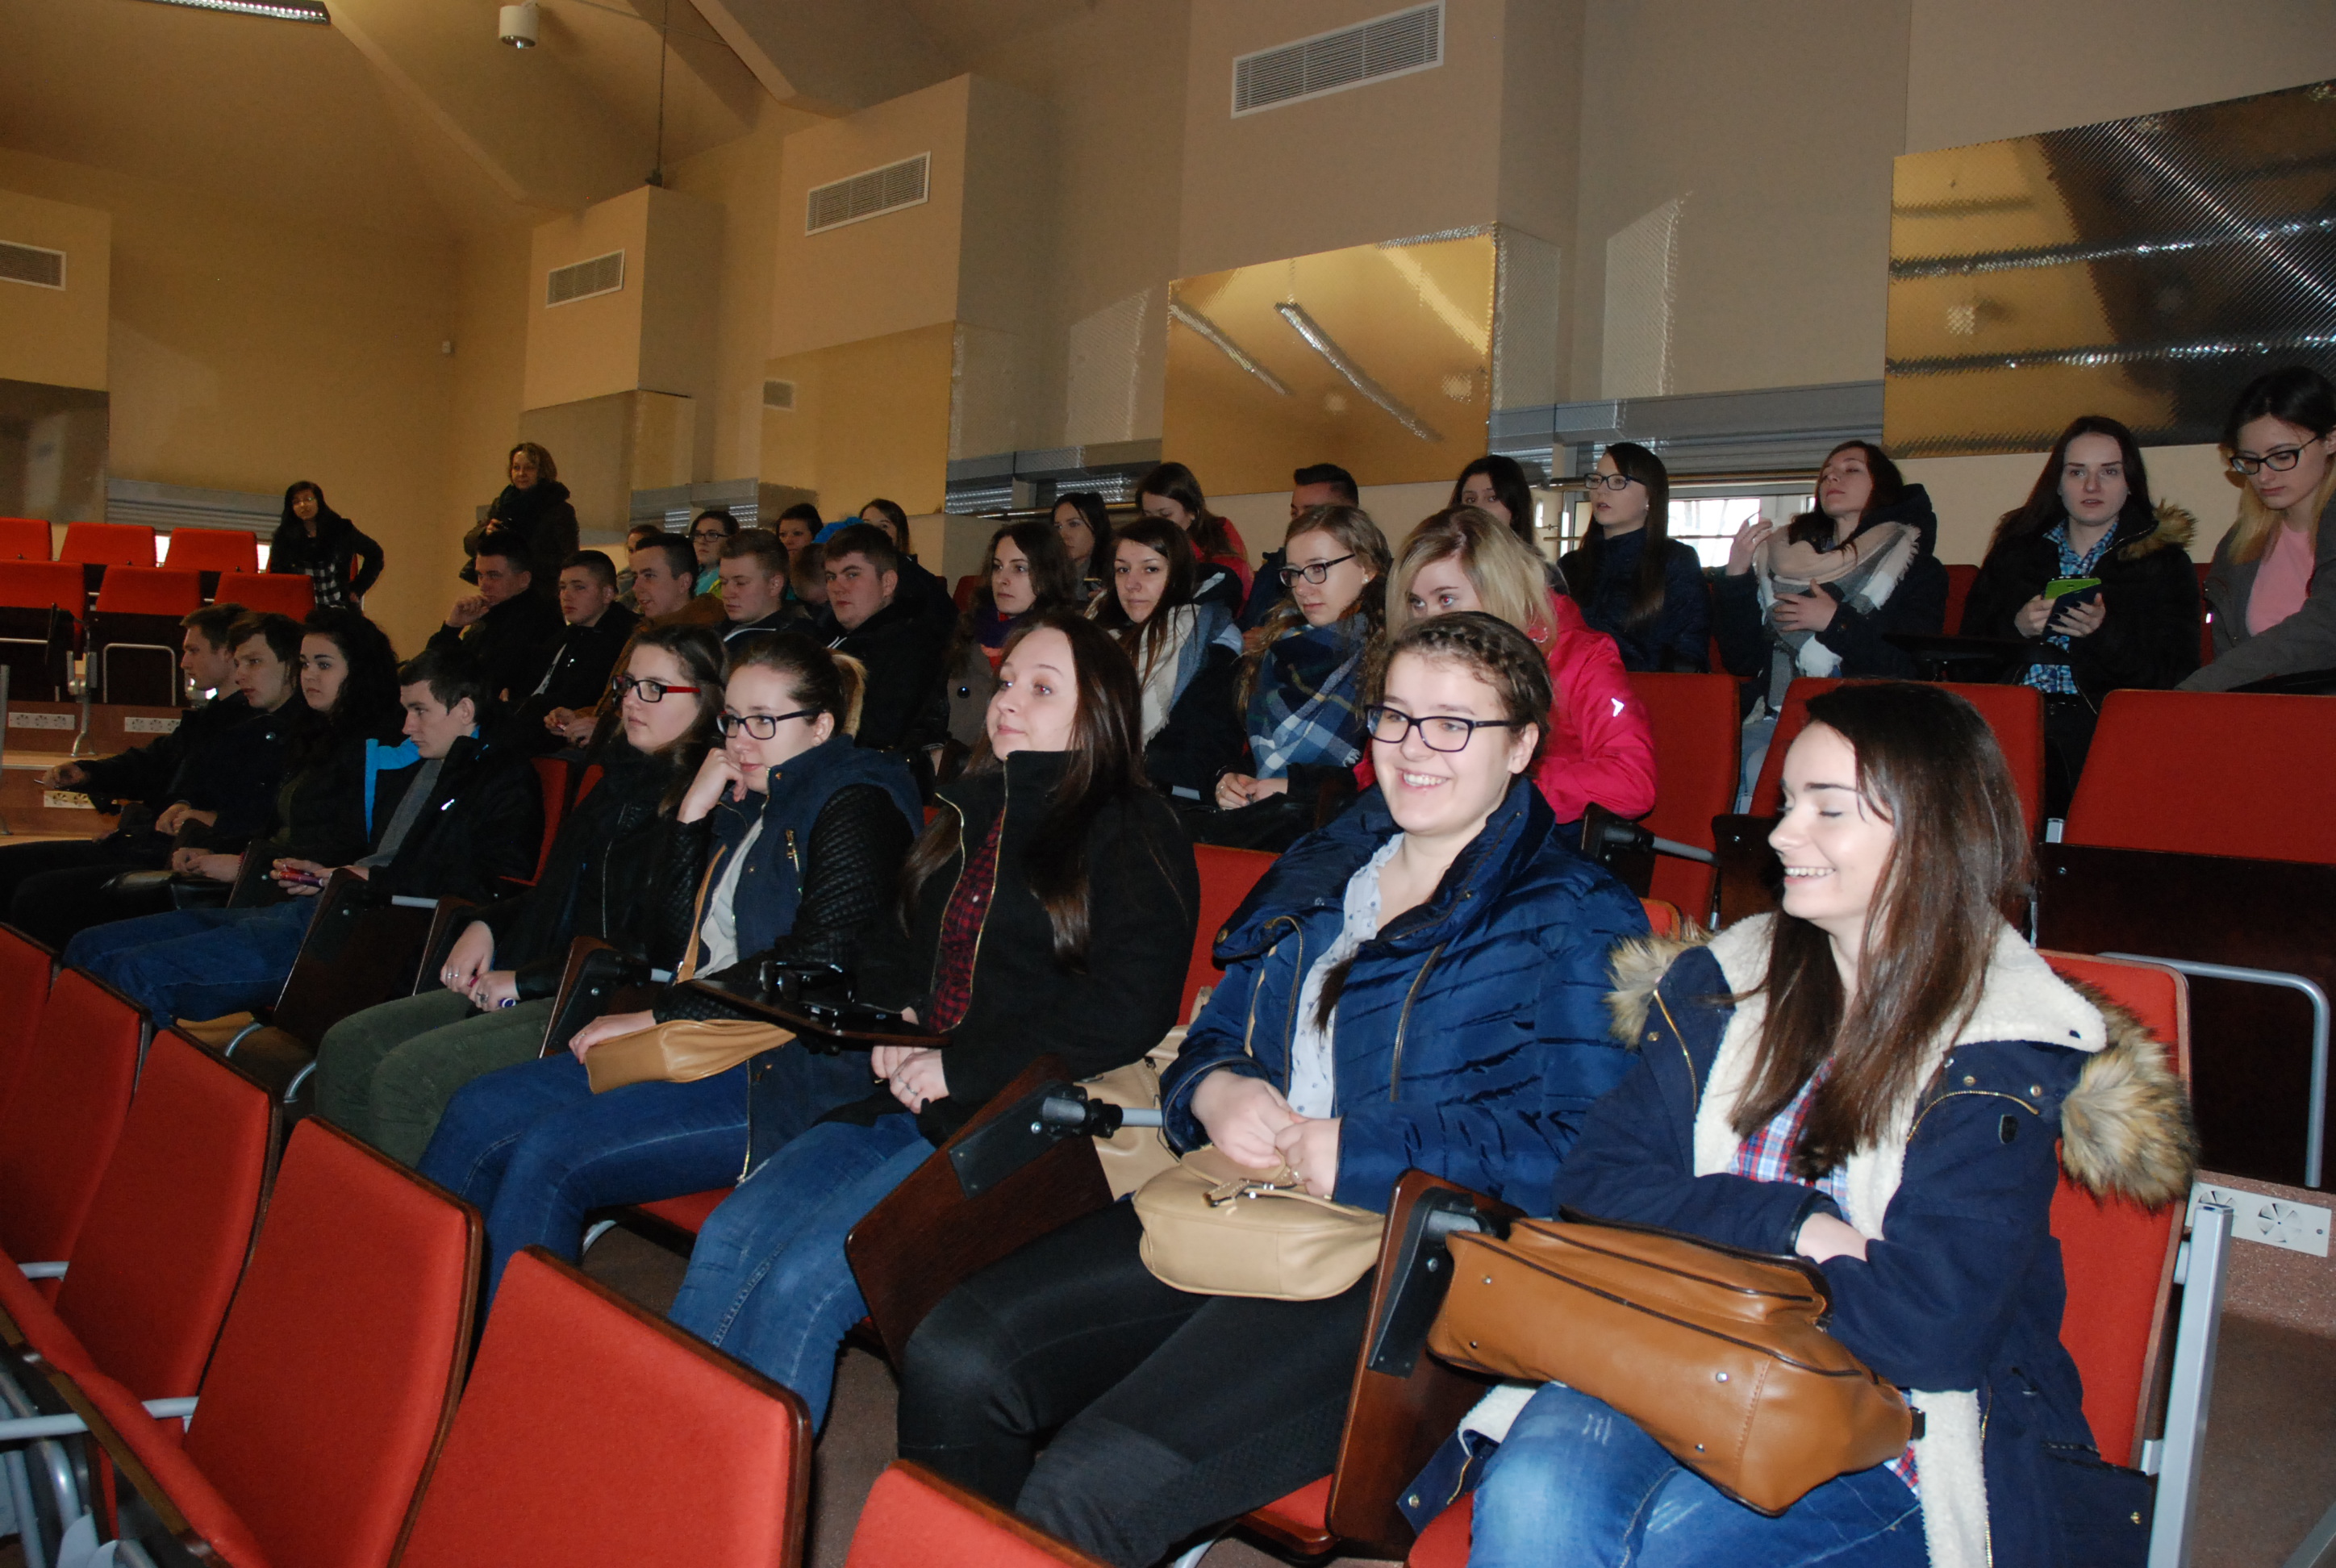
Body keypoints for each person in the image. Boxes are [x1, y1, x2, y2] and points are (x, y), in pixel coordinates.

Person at [895, 612, 1653, 1568]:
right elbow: (1217, 1031)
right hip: (1253, 1198)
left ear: (1523, 746)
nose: (1413, 748)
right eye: (1394, 716)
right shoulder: (1328, 866)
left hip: (1419, 1262)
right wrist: (1215, 1088)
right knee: (955, 1352)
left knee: (1089, 1484)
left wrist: (1369, 1151)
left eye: (1454, 724)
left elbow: (1590, 1158)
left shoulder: (1576, 914)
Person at [1462, 682, 2196, 1568]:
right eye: (1786, 802)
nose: (1780, 834)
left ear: (1933, 830)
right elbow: (1597, 1185)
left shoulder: (2000, 1045)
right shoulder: (1722, 984)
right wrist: (1795, 1228)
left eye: (1827, 808)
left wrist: (1704, 1233)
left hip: (1889, 1414)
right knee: (1535, 1500)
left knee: (1670, 1552)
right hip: (1673, 1341)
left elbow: (1928, 1331)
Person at [666, 611, 1199, 1432]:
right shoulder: (969, 808)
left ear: (1100, 711)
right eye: (1007, 681)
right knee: (732, 1236)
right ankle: (677, 1457)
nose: (1006, 700)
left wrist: (959, 1065)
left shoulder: (1134, 825)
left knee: (807, 1278)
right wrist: (896, 1011)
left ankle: (741, 1485)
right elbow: (889, 943)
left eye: (1041, 688)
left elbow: (1128, 1006)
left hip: (1018, 1122)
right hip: (905, 1096)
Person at [417, 633, 924, 1303]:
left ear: (822, 727)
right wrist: (692, 815)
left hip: (780, 1068)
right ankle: (425, 1313)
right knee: (477, 1109)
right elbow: (672, 940)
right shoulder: (751, 800)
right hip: (704, 1035)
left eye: (764, 722)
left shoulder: (857, 802)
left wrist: (658, 1013)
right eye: (733, 720)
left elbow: (816, 961)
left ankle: (505, 1344)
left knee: (550, 1154)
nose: (741, 740)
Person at [313, 624, 721, 1165]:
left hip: (602, 997)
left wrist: (525, 981)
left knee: (409, 1077)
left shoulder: (705, 803)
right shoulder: (617, 781)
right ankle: (345, 1197)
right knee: (348, 1044)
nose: (630, 701)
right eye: (627, 684)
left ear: (707, 701)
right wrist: (486, 924)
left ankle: (415, 1217)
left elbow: (653, 947)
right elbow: (555, 895)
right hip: (551, 973)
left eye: (655, 689)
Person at [62, 613, 530, 1028]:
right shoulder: (428, 761)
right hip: (325, 907)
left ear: (464, 710)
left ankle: (128, 1091)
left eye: (419, 711)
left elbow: (495, 887)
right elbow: (357, 845)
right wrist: (329, 874)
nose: (406, 726)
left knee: (134, 972)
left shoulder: (502, 779)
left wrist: (370, 879)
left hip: (372, 933)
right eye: (406, 710)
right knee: (89, 948)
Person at [1963, 415, 2200, 814]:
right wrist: (2016, 629)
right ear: (2058, 484)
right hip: (2013, 717)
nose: (2092, 486)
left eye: (2109, 471)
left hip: (2104, 726)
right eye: (2077, 472)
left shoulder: (2163, 564)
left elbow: (2175, 676)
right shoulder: (2015, 554)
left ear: (2130, 483)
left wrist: (2103, 634)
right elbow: (1965, 662)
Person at [0, 605, 276, 943]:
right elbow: (151, 765)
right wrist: (88, 773)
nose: (184, 662)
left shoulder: (257, 728)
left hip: (173, 851)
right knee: (8, 867)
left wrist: (192, 817)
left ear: (227, 654)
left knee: (37, 893)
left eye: (193, 650)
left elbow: (239, 810)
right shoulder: (213, 718)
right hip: (149, 841)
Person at [1384, 507, 1657, 831]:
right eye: (1416, 603)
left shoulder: (1581, 657)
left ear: (1498, 587)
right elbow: (1379, 765)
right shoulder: (1420, 663)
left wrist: (1500, 783)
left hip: (1527, 832)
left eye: (1446, 600)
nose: (1428, 621)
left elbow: (1631, 782)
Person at [1716, 441, 1946, 806]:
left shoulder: (1917, 568)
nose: (1832, 478)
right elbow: (1742, 660)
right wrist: (1737, 575)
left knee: (1764, 767)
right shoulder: (1784, 561)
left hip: (1865, 720)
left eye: (1851, 469)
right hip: (1778, 714)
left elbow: (1907, 669)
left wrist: (1835, 623)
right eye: (1826, 474)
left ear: (1882, 486)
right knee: (1712, 761)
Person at [1203, 505, 1388, 849]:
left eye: (1318, 569)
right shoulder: (1278, 647)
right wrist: (1231, 779)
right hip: (1266, 827)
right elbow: (1250, 747)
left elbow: (1383, 781)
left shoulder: (1393, 657)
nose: (1302, 588)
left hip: (1347, 841)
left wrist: (1298, 787)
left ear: (1367, 568)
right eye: (1293, 573)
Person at [2183, 366, 2336, 691]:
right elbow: (2229, 652)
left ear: (2330, 440)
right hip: (2266, 715)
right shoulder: (2239, 544)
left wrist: (2198, 690)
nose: (2264, 477)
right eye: (2250, 461)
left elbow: (2325, 626)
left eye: (2283, 456)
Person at [1089, 516, 1244, 803]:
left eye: (1150, 569)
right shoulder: (1094, 631)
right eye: (1122, 569)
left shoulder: (1207, 640)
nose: (1131, 584)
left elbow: (1205, 753)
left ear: (1179, 574)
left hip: (1160, 801)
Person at [549, 533, 722, 749]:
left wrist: (606, 730)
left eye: (649, 576)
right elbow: (617, 705)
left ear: (684, 582)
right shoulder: (645, 629)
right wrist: (580, 716)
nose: (636, 587)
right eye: (635, 576)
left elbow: (690, 729)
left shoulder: (702, 640)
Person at [934, 521, 1079, 769]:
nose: (1002, 579)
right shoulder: (968, 629)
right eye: (997, 567)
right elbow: (932, 711)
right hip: (958, 769)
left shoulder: (1063, 643)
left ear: (1047, 576)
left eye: (1019, 569)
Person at [1558, 441, 1711, 671]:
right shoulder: (1570, 566)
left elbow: (1689, 654)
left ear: (1650, 496)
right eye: (1597, 479)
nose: (1601, 490)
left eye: (1618, 481)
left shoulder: (1674, 560)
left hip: (1646, 688)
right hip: (1572, 686)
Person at [816, 523, 948, 758]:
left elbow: (879, 736)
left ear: (887, 583)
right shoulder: (821, 638)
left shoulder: (911, 647)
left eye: (852, 574)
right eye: (831, 577)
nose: (837, 588)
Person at [507, 551, 639, 749]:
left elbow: (578, 696)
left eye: (579, 587)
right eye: (562, 587)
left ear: (607, 594)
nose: (566, 596)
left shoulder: (623, 637)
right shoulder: (567, 634)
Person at [428, 535, 561, 703]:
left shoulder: (542, 623)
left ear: (524, 579)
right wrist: (453, 626)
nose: (483, 585)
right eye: (480, 575)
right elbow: (432, 671)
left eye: (493, 576)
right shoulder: (487, 615)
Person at [1242, 463, 1359, 630]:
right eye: (1295, 513)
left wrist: (1275, 638)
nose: (1299, 523)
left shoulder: (1384, 589)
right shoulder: (1273, 572)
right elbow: (1248, 628)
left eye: (1312, 513)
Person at [467, 442, 578, 598]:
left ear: (543, 471)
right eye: (516, 468)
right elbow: (469, 543)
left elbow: (569, 560)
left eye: (529, 468)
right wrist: (486, 534)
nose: (521, 473)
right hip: (501, 590)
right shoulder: (503, 504)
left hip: (541, 593)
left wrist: (520, 552)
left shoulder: (559, 510)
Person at [1138, 462, 1250, 615]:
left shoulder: (1224, 564)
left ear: (1192, 512)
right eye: (1148, 516)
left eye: (1165, 515)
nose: (1155, 524)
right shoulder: (1137, 551)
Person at [266, 482, 382, 609]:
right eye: (296, 502)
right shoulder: (283, 536)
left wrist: (357, 588)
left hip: (338, 607)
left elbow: (375, 553)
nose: (303, 505)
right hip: (300, 608)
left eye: (308, 499)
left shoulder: (341, 528)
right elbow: (277, 576)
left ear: (319, 501)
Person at [858, 498, 958, 630]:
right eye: (867, 525)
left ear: (899, 534)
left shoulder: (915, 578)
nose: (873, 532)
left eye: (884, 526)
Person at [715, 529, 799, 642]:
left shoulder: (787, 644)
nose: (726, 594)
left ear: (774, 584)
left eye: (741, 583)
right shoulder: (715, 631)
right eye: (723, 582)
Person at [1452, 455, 1543, 557]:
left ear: (1515, 509)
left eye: (1492, 498)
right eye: (1471, 500)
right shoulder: (1445, 562)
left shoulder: (1535, 566)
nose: (1479, 507)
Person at [1051, 490, 1114, 602]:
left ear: (1096, 527)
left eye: (1074, 524)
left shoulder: (1115, 576)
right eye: (1058, 527)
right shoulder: (1047, 576)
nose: (1063, 535)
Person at [689, 509, 740, 597]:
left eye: (712, 535)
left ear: (731, 540)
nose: (702, 541)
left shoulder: (735, 583)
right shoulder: (688, 576)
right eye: (698, 535)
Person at [615, 522, 663, 611]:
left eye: (639, 550)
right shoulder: (620, 580)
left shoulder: (660, 582)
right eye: (631, 550)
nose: (634, 556)